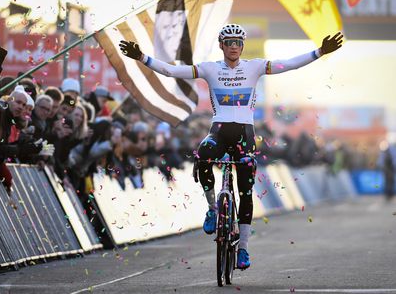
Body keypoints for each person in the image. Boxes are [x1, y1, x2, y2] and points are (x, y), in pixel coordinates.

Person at [119, 24, 344, 270]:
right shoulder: (210, 69)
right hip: (219, 131)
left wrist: (320, 51)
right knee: (203, 154)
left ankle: (244, 249)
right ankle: (212, 208)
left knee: (245, 190)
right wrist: (142, 57)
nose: (234, 47)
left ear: (243, 45)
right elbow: (172, 71)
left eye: (238, 42)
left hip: (245, 134)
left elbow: (287, 64)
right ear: (221, 45)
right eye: (229, 42)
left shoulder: (255, 66)